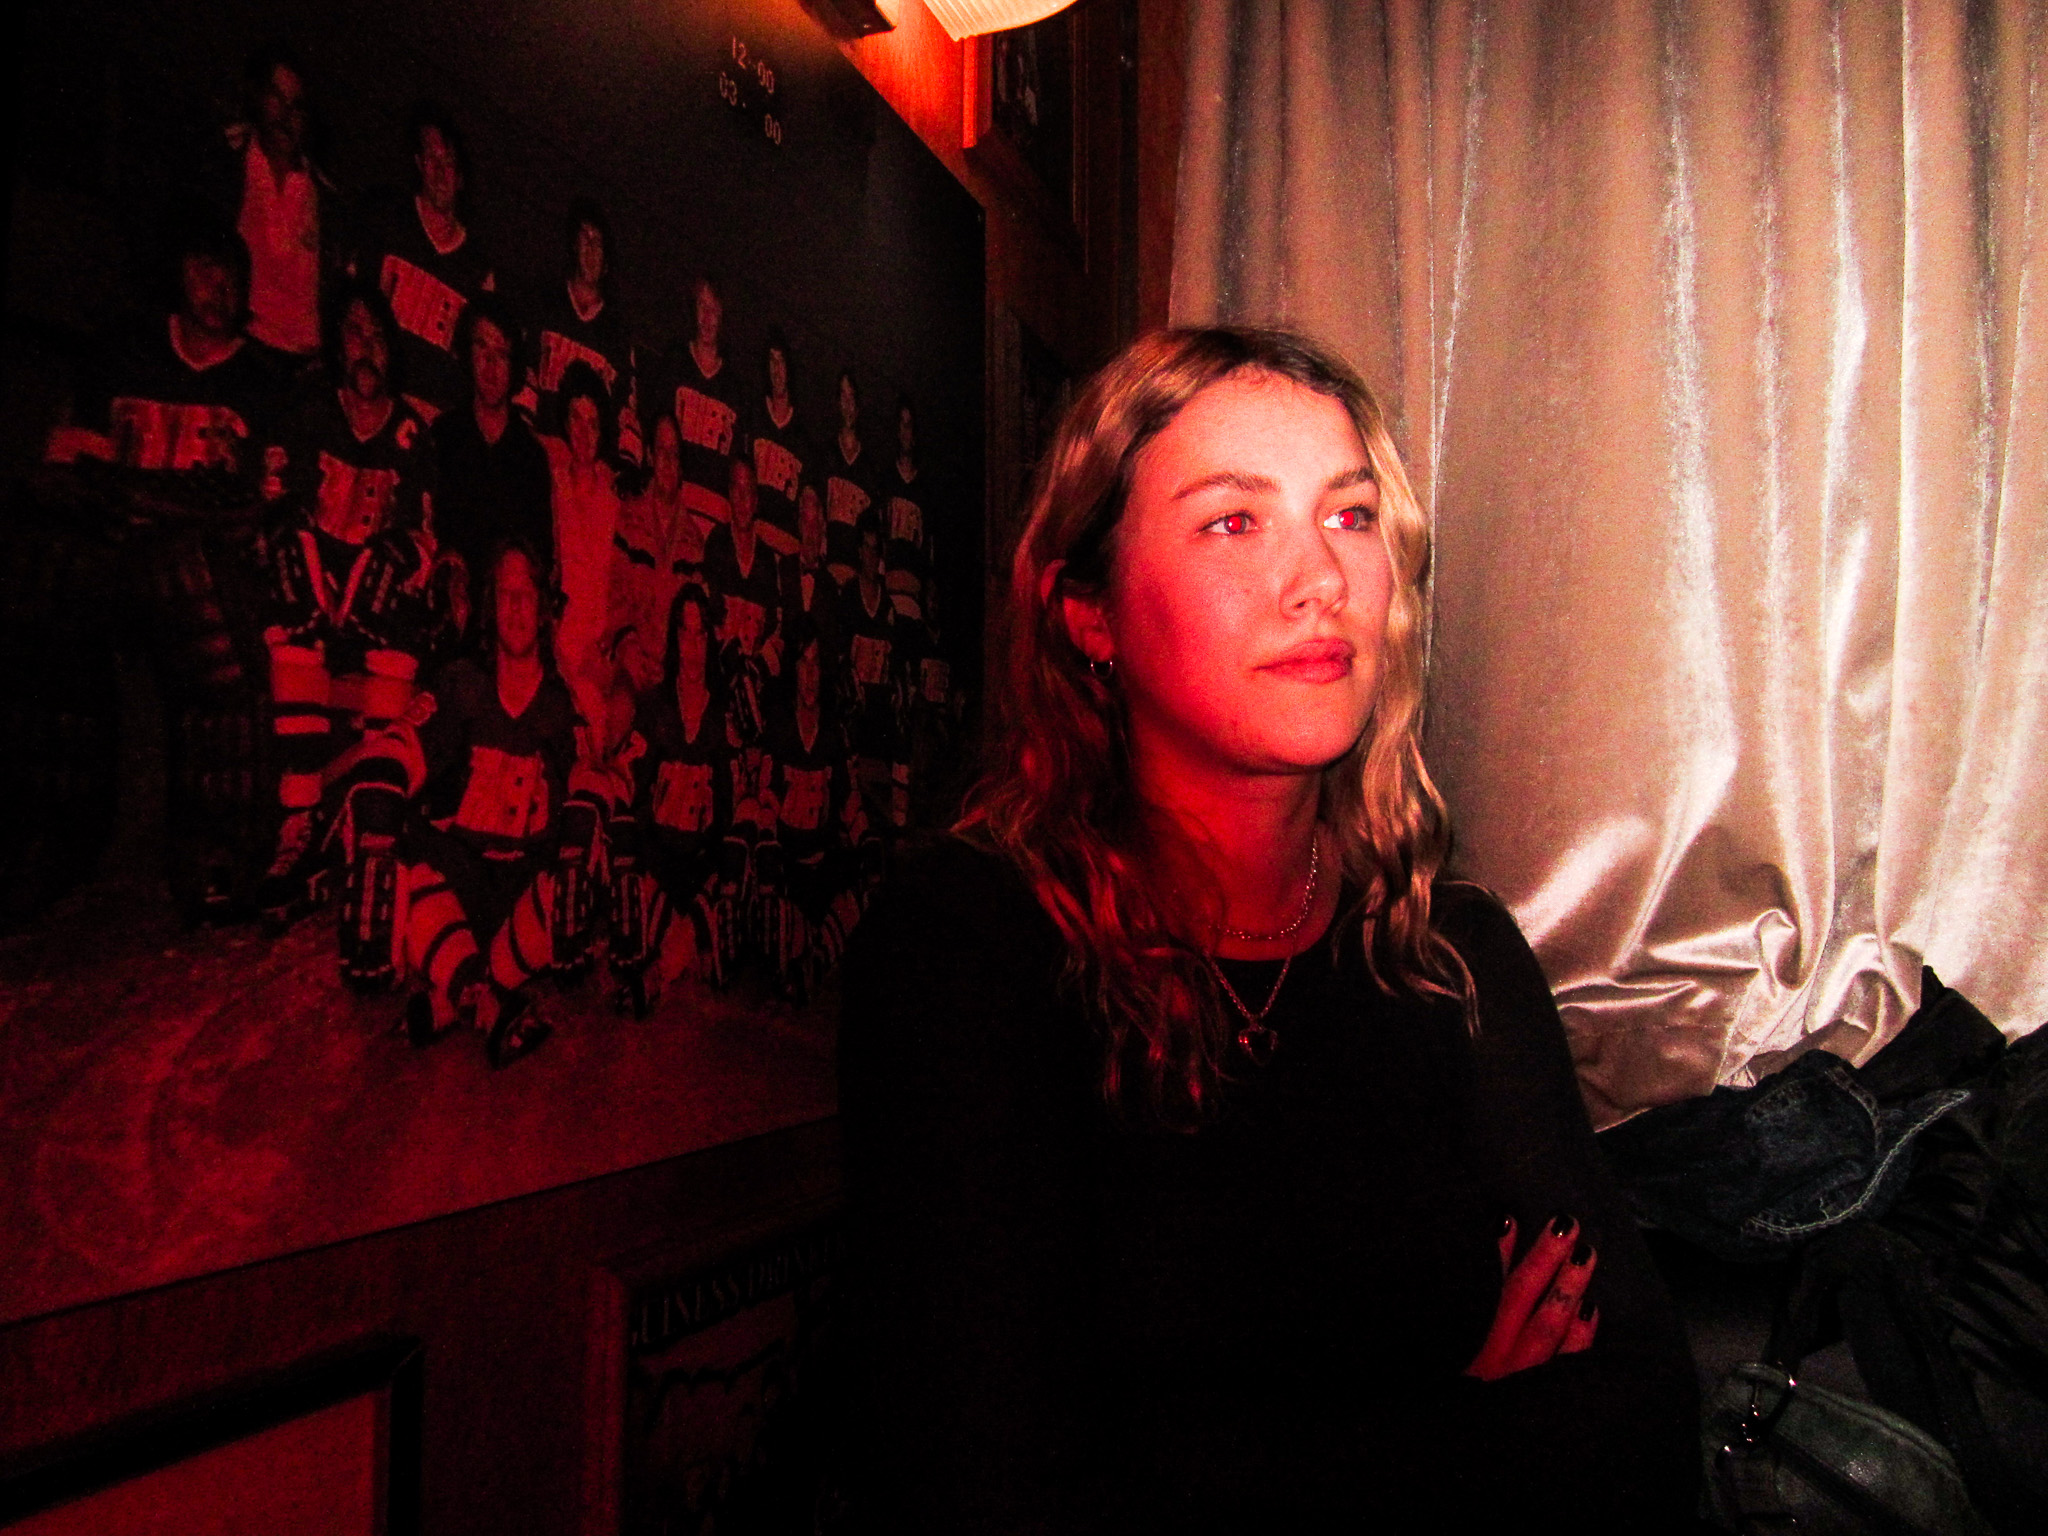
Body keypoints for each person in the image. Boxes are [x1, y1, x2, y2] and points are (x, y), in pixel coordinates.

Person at [837, 328, 1699, 1532]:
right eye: (1233, 522)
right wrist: (1466, 1422)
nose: (1320, 580)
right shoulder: (967, 943)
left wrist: (1243, 1457)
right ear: (1088, 610)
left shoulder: (1451, 954)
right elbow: (987, 1481)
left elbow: (1640, 1422)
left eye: (1349, 517)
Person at [350, 540, 578, 1064]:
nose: (515, 608)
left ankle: (455, 993)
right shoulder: (462, 684)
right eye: (504, 594)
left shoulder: (563, 702)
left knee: (574, 878)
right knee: (398, 856)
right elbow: (404, 743)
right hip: (464, 882)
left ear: (544, 607)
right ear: (489, 605)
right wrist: (381, 796)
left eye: (526, 594)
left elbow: (592, 783)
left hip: (523, 889)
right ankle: (487, 1000)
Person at [258, 279, 438, 931]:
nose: (367, 348)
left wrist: (382, 568)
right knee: (291, 616)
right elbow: (277, 507)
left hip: (376, 604)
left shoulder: (412, 432)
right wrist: (317, 581)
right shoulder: (312, 413)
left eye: (378, 337)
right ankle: (299, 823)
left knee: (399, 613)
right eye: (355, 333)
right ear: (338, 342)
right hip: (315, 594)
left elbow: (424, 537)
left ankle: (368, 820)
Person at [356, 102, 495, 422]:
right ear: (418, 163)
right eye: (432, 159)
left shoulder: (477, 267)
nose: (440, 172)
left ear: (460, 176)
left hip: (436, 420)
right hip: (375, 403)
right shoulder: (387, 224)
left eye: (449, 162)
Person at [431, 292, 553, 639]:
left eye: (501, 354)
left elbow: (540, 556)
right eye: (481, 349)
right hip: (446, 622)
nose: (490, 365)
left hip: (507, 629)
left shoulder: (530, 456)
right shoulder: (443, 436)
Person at [519, 198, 641, 466]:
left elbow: (626, 415)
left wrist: (619, 470)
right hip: (538, 457)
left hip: (588, 473)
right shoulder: (545, 305)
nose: (591, 249)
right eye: (585, 238)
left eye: (598, 242)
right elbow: (523, 376)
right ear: (573, 244)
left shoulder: (617, 335)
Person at [226, 46, 329, 361]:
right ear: (258, 97)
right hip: (242, 344)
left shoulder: (324, 197)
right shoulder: (228, 165)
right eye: (277, 98)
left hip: (302, 358)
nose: (285, 115)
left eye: (295, 106)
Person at [609, 411, 706, 701]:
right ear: (650, 456)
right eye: (661, 451)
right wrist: (628, 648)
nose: (667, 461)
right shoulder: (628, 518)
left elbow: (693, 624)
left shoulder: (694, 541)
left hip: (672, 678)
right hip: (629, 665)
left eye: (674, 454)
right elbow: (615, 592)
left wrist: (672, 669)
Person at [659, 274, 742, 530]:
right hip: (672, 507)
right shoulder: (675, 362)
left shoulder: (735, 387)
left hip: (713, 519)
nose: (707, 317)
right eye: (702, 306)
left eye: (713, 309)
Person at [746, 331, 806, 558]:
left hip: (786, 549)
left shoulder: (801, 438)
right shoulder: (754, 417)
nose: (776, 369)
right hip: (755, 541)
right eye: (771, 360)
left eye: (781, 361)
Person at [822, 369, 874, 587]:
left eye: (851, 397)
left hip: (855, 580)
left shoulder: (868, 469)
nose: (848, 404)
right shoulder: (827, 456)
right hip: (827, 571)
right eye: (843, 397)